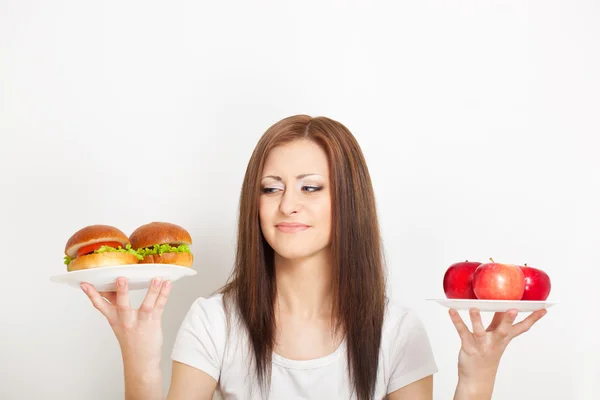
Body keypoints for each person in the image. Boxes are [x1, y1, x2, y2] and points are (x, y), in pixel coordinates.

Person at [81, 115, 548, 400]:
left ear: (349, 200)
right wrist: (138, 355)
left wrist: (477, 377)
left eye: (310, 187)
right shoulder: (213, 322)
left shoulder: (397, 330)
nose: (287, 204)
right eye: (271, 188)